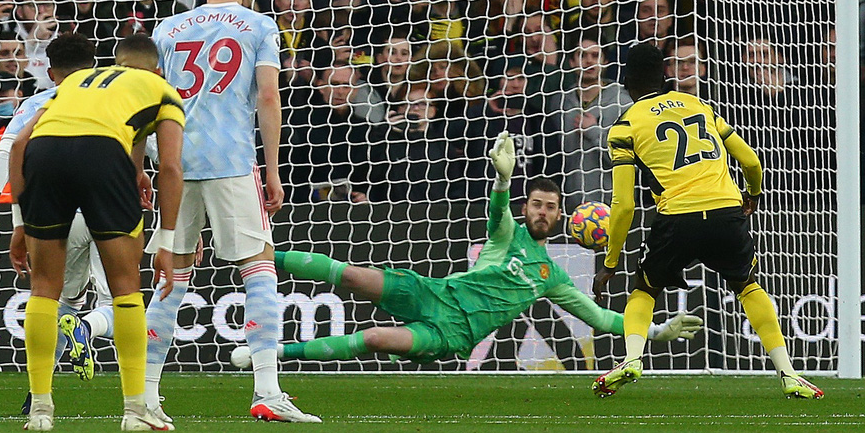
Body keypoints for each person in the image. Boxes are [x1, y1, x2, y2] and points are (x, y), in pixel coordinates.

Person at [255, 133, 698, 369]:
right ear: (526, 208)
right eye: (537, 205)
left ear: (562, 217)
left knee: (373, 339)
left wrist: (655, 330)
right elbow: (496, 213)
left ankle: (276, 354)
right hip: (433, 293)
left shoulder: (552, 276)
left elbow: (599, 318)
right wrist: (503, 181)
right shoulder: (507, 233)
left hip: (452, 336)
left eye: (551, 208)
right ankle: (257, 253)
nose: (542, 212)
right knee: (351, 276)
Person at [593, 44, 823, 399]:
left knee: (644, 289)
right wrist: (754, 195)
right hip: (726, 211)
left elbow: (624, 205)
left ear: (626, 85)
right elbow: (751, 162)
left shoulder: (624, 127)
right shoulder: (699, 106)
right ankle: (789, 374)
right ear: (666, 76)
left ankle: (632, 359)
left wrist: (609, 264)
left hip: (677, 218)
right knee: (748, 287)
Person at [146, 0, 315, 423]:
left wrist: (145, 165)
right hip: (232, 161)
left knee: (170, 277)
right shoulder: (261, 26)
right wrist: (274, 169)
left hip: (175, 162)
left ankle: (147, 395)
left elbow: (150, 98)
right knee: (259, 268)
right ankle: (266, 389)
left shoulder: (167, 28)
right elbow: (267, 94)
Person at [5, 32, 185, 432]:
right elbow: (172, 168)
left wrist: (19, 224)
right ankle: (136, 411)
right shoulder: (162, 89)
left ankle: (39, 411)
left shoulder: (77, 83)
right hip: (103, 157)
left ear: (115, 63)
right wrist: (168, 243)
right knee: (125, 289)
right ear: (157, 69)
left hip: (45, 154)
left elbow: (18, 145)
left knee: (44, 288)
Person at [0, 33, 116, 379]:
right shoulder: (116, 101)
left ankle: (39, 391)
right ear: (94, 67)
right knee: (119, 304)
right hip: (107, 209)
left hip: (55, 216)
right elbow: (160, 154)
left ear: (51, 73)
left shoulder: (35, 104)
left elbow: (6, 152)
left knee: (58, 300)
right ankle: (89, 331)